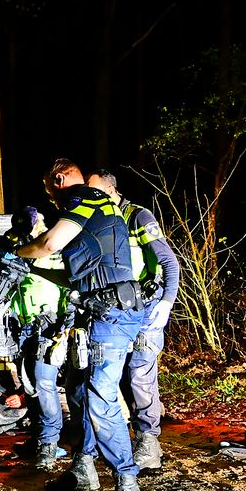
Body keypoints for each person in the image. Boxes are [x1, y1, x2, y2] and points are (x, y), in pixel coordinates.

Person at [15, 159, 148, 491]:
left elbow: (49, 243)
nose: (51, 200)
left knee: (101, 397)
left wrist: (17, 254)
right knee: (78, 389)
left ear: (58, 180)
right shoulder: (97, 207)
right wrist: (31, 266)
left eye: (48, 190)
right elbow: (71, 273)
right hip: (104, 310)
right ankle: (84, 466)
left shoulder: (82, 198)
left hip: (111, 315)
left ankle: (128, 487)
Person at [86, 169, 181, 470]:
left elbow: (168, 260)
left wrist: (166, 302)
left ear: (111, 189)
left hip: (147, 306)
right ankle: (124, 441)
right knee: (119, 377)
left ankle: (148, 442)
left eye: (95, 190)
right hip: (115, 310)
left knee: (141, 374)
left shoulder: (137, 216)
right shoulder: (94, 221)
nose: (90, 196)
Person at [0, 206, 73, 470]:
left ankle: (49, 444)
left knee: (44, 384)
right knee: (30, 384)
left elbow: (68, 286)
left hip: (48, 325)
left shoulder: (53, 250)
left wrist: (65, 324)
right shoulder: (20, 250)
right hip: (24, 327)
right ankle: (39, 436)